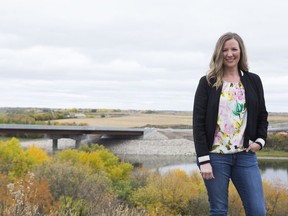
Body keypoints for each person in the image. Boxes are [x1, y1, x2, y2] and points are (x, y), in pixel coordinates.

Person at [193, 32, 268, 216]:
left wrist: (260, 141)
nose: (229, 54)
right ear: (218, 53)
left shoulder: (253, 81)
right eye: (225, 50)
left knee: (258, 211)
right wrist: (204, 160)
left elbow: (262, 114)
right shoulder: (207, 82)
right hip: (215, 157)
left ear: (241, 51)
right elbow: (198, 123)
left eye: (234, 49)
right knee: (219, 211)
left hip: (245, 156)